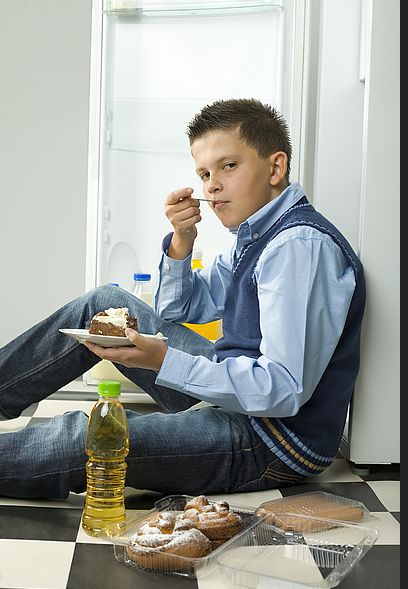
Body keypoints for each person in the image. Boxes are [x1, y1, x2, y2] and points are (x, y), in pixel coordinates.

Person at [0, 98, 365, 499]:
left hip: (274, 440)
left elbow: (282, 389)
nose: (212, 185)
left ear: (275, 168)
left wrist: (164, 360)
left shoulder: (297, 247)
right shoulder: (258, 234)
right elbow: (178, 310)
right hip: (243, 399)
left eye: (229, 166)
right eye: (204, 172)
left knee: (86, 437)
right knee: (105, 302)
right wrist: (181, 241)